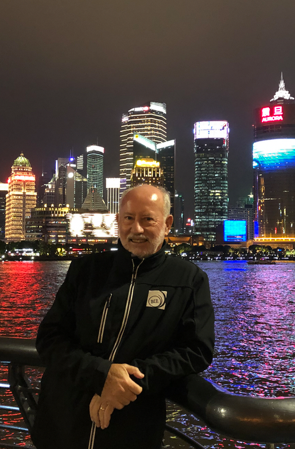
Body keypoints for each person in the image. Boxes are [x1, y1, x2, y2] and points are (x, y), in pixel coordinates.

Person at [32, 184, 215, 449]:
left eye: (147, 219)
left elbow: (197, 350)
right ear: (117, 221)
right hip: (62, 423)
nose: (136, 229)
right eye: (128, 218)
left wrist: (130, 381)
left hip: (133, 427)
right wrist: (101, 375)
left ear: (167, 223)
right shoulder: (86, 270)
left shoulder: (188, 280)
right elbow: (49, 338)